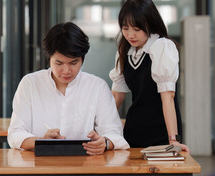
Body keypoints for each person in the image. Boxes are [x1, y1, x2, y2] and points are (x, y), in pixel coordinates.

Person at [8, 22, 129, 155]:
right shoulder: (30, 84)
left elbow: (114, 133)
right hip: (38, 166)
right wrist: (41, 141)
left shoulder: (97, 87)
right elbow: (15, 133)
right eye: (59, 63)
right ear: (49, 59)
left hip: (85, 166)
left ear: (82, 59)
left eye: (73, 63)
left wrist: (104, 142)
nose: (66, 71)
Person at [109, 0, 189, 151]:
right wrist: (101, 127)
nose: (130, 35)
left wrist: (173, 139)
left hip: (161, 131)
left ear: (149, 25)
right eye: (125, 29)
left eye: (136, 29)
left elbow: (168, 97)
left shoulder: (161, 47)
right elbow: (117, 96)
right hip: (133, 130)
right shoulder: (124, 51)